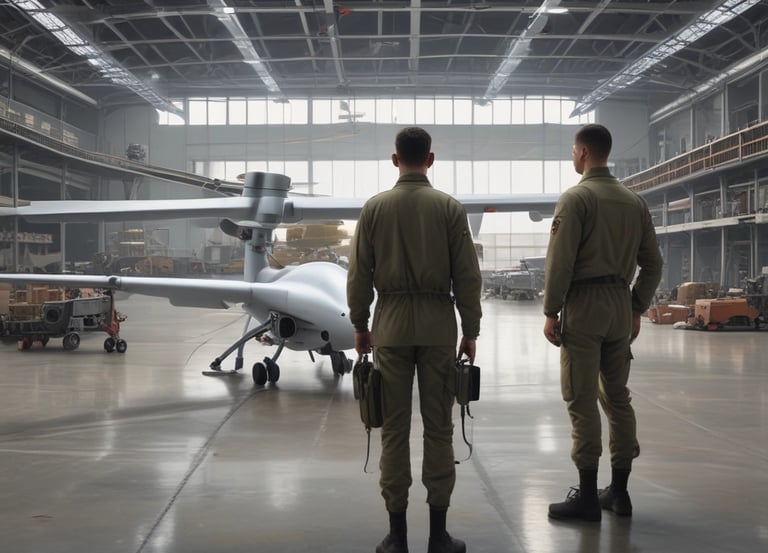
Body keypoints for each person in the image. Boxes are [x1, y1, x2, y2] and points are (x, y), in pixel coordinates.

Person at [347, 127, 482, 553]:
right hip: (438, 325)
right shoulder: (449, 208)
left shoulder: (374, 209)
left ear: (395, 160)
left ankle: (397, 535)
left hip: (390, 325)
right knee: (439, 427)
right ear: (430, 159)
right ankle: (439, 534)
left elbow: (358, 274)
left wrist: (360, 324)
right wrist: (471, 329)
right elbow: (467, 276)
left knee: (393, 429)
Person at [543, 124, 663, 522]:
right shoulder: (634, 202)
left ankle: (588, 498)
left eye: (572, 151)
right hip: (618, 305)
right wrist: (635, 307)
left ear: (582, 152)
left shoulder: (576, 198)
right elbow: (654, 264)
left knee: (581, 399)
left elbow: (560, 262)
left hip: (585, 305)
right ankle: (620, 494)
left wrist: (551, 310)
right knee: (617, 397)